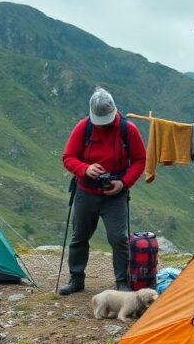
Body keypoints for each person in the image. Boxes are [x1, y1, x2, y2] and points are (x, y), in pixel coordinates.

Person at [60, 88, 146, 295]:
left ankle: (122, 282)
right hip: (85, 192)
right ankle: (76, 279)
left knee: (118, 239)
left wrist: (123, 183)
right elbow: (68, 157)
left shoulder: (128, 130)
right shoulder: (83, 128)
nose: (103, 125)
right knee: (79, 237)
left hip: (115, 196)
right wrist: (85, 169)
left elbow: (139, 160)